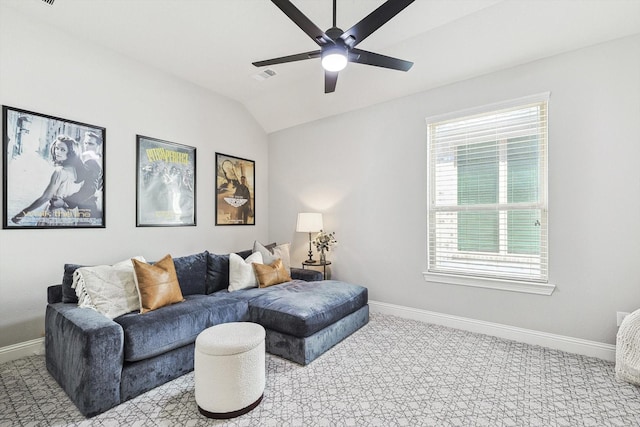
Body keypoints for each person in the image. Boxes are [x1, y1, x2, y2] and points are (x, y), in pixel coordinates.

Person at [11, 135, 84, 226]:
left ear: (70, 153)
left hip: (55, 215)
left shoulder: (60, 172)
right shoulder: (78, 172)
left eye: (63, 150)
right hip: (70, 217)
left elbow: (45, 197)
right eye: (57, 148)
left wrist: (22, 213)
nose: (57, 152)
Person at [49, 131, 103, 224]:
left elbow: (90, 189)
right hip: (78, 207)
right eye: (85, 143)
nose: (86, 146)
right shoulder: (83, 158)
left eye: (90, 144)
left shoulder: (92, 162)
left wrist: (66, 202)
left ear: (98, 146)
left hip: (87, 208)